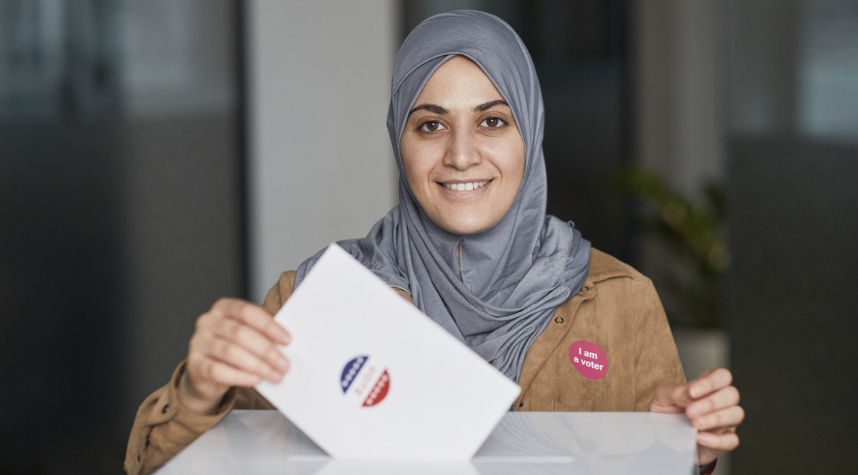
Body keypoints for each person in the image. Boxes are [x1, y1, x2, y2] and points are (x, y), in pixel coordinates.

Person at [124, 10, 743, 475]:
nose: (462, 154)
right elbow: (159, 467)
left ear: (531, 131)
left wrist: (683, 449)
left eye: (493, 121)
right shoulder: (316, 301)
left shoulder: (619, 302)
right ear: (400, 139)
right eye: (431, 124)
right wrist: (200, 394)